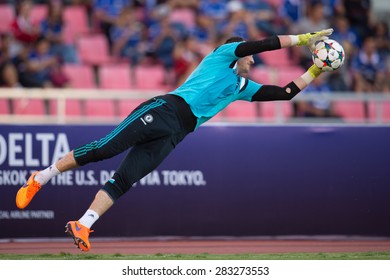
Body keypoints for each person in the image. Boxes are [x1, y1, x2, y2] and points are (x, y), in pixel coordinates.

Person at [16, 28, 334, 252]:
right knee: (103, 149)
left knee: (125, 179)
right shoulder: (222, 56)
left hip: (178, 132)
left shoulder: (242, 86)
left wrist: (316, 69)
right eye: (248, 58)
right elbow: (262, 44)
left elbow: (285, 93)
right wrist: (304, 38)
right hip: (165, 109)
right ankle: (40, 178)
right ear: (238, 53)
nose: (252, 63)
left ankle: (83, 224)